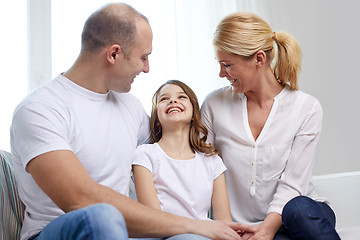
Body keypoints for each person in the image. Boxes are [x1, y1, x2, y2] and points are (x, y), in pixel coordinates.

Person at [10, 3, 244, 240]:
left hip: (122, 233)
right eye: (143, 58)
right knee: (103, 216)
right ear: (114, 54)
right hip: (58, 231)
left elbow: (167, 157)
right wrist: (195, 225)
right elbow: (80, 199)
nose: (147, 69)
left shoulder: (130, 106)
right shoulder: (40, 109)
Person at [200, 12, 341, 240]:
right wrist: (227, 227)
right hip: (247, 225)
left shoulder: (306, 108)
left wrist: (266, 230)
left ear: (259, 59)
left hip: (297, 218)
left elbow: (293, 184)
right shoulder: (214, 104)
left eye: (227, 65)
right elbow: (202, 169)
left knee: (298, 209)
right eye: (219, 64)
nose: (221, 73)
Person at [132, 80, 232, 226]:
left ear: (193, 114)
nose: (173, 100)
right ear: (157, 119)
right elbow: (154, 220)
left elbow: (225, 221)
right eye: (164, 99)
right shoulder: (145, 155)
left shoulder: (212, 160)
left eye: (181, 97)